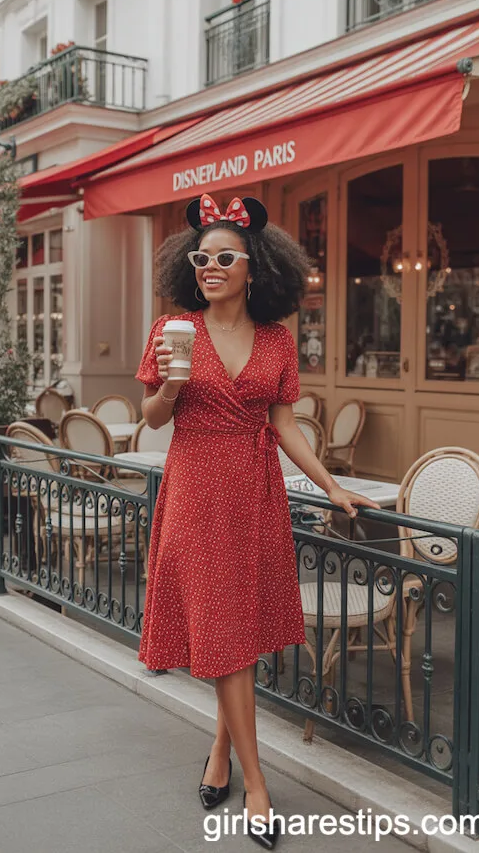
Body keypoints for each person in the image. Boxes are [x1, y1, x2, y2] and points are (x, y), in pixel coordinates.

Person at [136, 193, 378, 849]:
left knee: (235, 636)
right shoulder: (172, 330)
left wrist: (332, 486)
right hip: (195, 490)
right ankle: (258, 784)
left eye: (222, 257)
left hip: (256, 494)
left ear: (254, 268)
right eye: (199, 258)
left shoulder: (276, 340)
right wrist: (170, 388)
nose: (208, 267)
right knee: (222, 632)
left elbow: (284, 425)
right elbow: (152, 421)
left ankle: (218, 752)